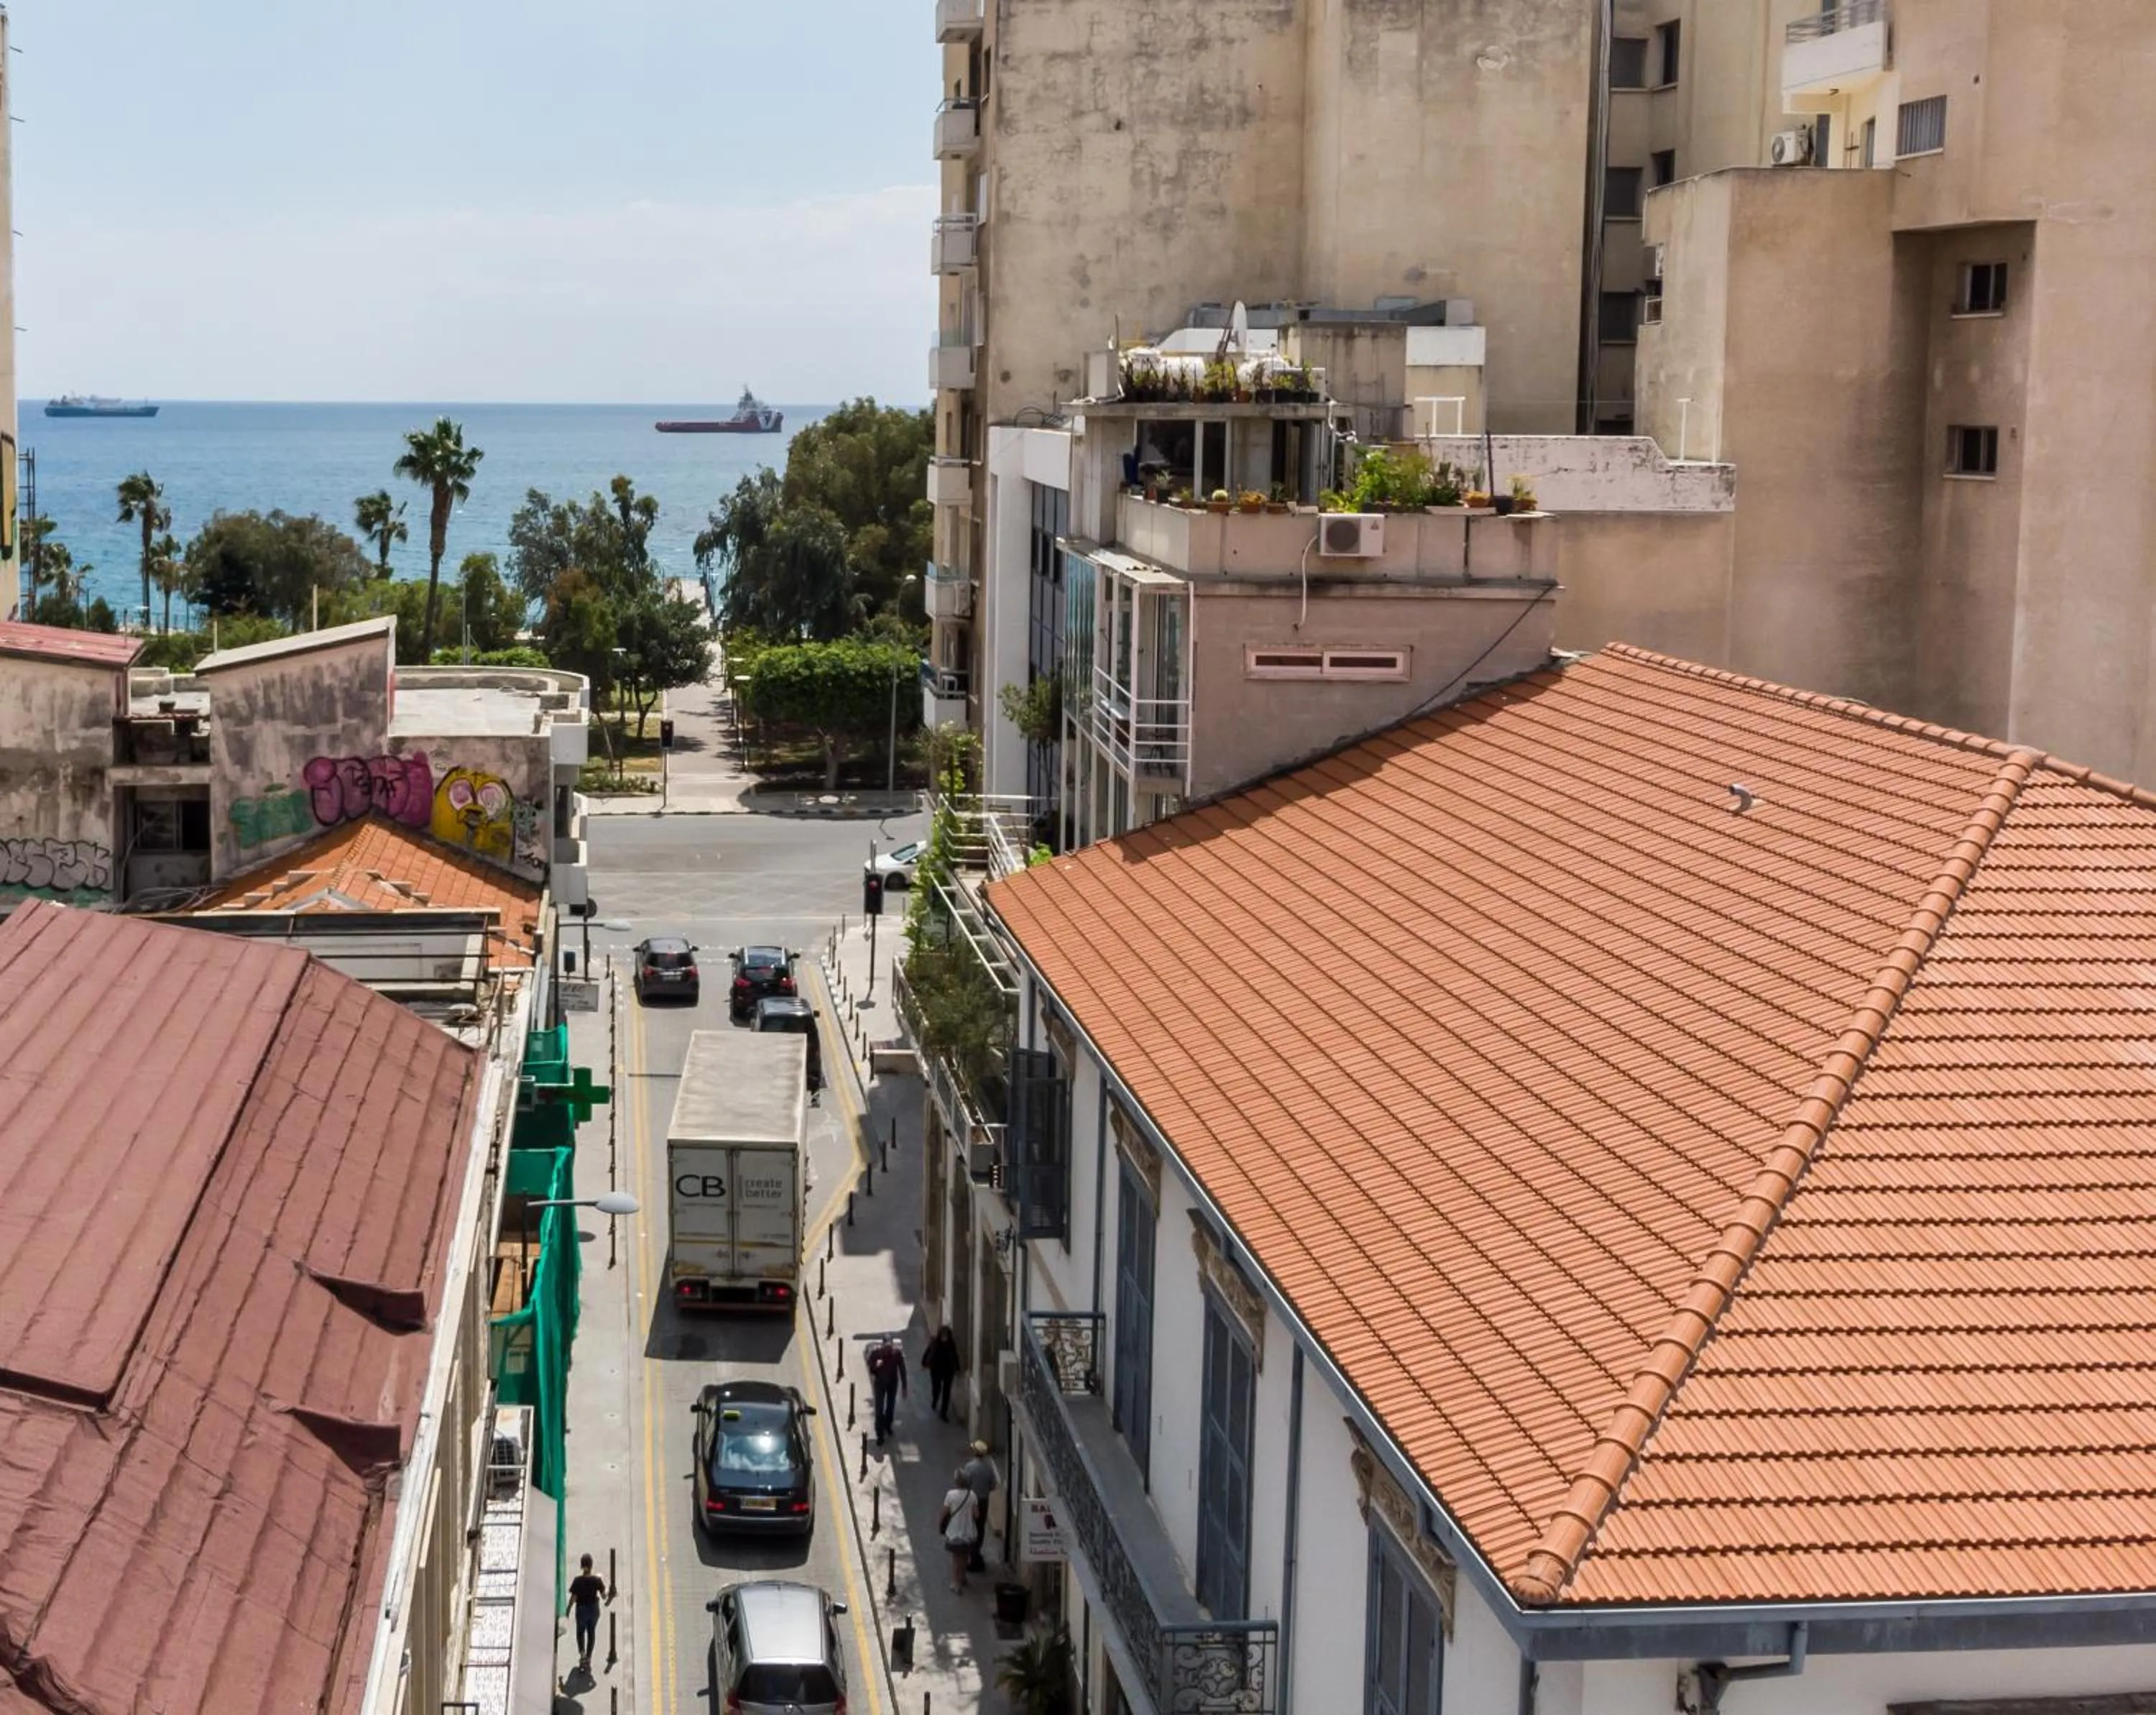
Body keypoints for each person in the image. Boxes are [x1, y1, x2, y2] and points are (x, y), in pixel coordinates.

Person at [937, 1466, 982, 1594]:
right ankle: (963, 1578)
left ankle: (955, 1583)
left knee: (956, 1558)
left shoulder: (951, 1495)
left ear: (956, 1481)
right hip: (968, 1532)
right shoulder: (972, 1495)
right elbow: (977, 1515)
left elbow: (944, 1512)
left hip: (955, 1532)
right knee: (965, 1557)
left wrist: (940, 1523)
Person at [961, 1439, 1000, 1573]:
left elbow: (965, 1484)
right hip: (983, 1501)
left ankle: (973, 1556)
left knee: (970, 1527)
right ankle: (977, 1551)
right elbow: (993, 1486)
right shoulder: (988, 1469)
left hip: (971, 1501)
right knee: (980, 1527)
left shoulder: (969, 1467)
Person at [567, 1553, 609, 1673]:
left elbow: (573, 1598)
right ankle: (589, 1658)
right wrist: (602, 1582)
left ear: (582, 1566)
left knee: (580, 1632)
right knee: (591, 1633)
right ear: (591, 1565)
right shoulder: (597, 1580)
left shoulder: (577, 1581)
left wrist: (568, 1610)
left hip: (581, 1610)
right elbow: (604, 1596)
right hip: (594, 1610)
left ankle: (582, 1655)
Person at [866, 1334, 908, 1445]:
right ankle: (880, 1434)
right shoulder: (876, 1353)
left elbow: (902, 1369)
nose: (888, 1349)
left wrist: (904, 1387)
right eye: (886, 1346)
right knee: (879, 1409)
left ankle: (888, 1425)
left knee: (890, 1406)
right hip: (880, 1383)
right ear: (883, 1344)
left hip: (892, 1384)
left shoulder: (897, 1354)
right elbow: (870, 1367)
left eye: (890, 1347)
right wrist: (876, 1365)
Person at [921, 1325, 961, 1420]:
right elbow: (927, 1352)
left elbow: (955, 1356)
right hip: (936, 1370)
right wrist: (924, 1363)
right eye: (943, 1336)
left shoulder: (951, 1345)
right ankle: (935, 1400)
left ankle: (944, 1413)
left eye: (946, 1336)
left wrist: (958, 1368)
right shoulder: (935, 1343)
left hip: (948, 1370)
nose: (944, 1338)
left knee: (946, 1392)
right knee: (936, 1389)